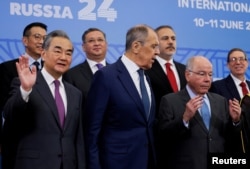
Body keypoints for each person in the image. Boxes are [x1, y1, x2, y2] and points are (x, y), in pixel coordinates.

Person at [2, 30, 86, 169]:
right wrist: (25, 90)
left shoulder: (75, 93)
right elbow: (9, 114)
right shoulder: (25, 83)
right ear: (43, 54)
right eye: (58, 51)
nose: (64, 57)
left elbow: (78, 139)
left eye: (69, 53)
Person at [85, 24, 159, 169]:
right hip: (117, 163)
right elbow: (92, 131)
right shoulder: (106, 76)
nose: (157, 52)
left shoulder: (146, 78)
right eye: (154, 46)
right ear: (136, 46)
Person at [157, 56, 242, 169]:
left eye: (210, 74)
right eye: (202, 74)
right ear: (188, 75)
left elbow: (228, 138)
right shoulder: (170, 101)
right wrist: (185, 119)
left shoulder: (220, 101)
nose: (207, 79)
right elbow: (163, 137)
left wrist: (235, 121)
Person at [0, 22, 47, 169]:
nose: (41, 42)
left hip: (47, 142)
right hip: (17, 140)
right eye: (37, 37)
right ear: (25, 41)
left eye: (45, 38)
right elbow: (4, 106)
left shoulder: (52, 69)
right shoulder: (7, 68)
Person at [210, 48, 250, 153]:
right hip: (233, 146)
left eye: (242, 59)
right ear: (228, 65)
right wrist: (235, 120)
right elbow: (217, 119)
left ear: (247, 63)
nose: (238, 62)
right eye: (233, 59)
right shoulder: (218, 87)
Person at [64, 28, 109, 115]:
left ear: (106, 45)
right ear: (83, 47)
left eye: (100, 40)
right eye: (91, 41)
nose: (97, 44)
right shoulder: (71, 74)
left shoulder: (118, 73)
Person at [146, 25, 186, 115]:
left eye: (173, 38)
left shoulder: (185, 70)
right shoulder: (147, 69)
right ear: (155, 43)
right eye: (165, 38)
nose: (170, 42)